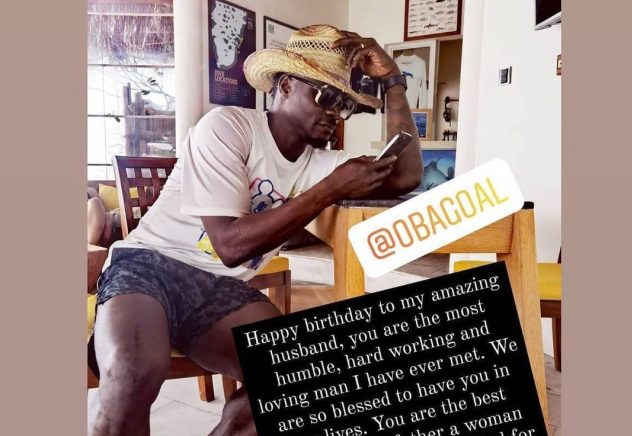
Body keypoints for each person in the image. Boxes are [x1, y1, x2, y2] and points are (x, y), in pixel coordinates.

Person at [88, 24, 423, 436]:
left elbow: (406, 174)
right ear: (285, 85)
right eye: (325, 95)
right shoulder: (228, 126)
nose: (335, 112)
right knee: (131, 371)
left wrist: (392, 80)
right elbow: (229, 245)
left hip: (221, 289)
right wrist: (329, 191)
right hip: (150, 265)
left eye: (343, 103)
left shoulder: (322, 164)